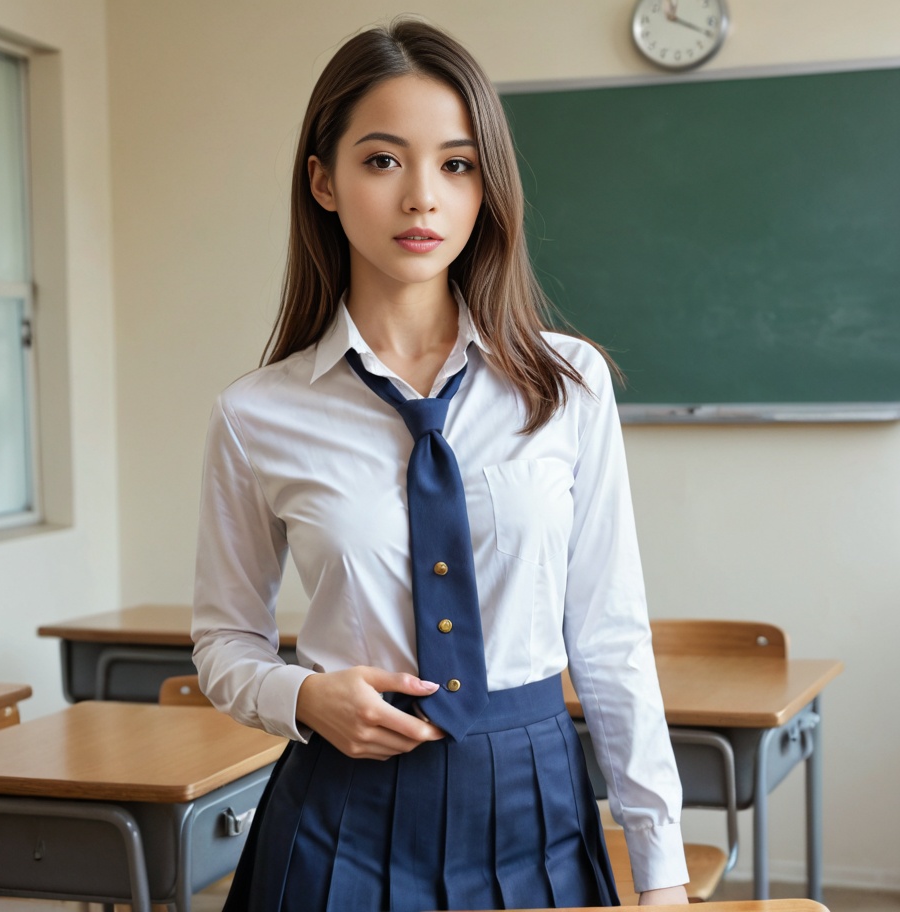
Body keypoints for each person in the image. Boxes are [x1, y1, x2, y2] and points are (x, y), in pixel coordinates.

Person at [192, 16, 690, 912]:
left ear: (487, 187)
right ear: (324, 181)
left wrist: (661, 868)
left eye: (457, 165)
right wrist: (303, 697)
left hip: (533, 804)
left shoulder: (567, 384)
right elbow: (224, 641)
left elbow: (610, 635)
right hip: (339, 812)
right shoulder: (256, 413)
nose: (422, 197)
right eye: (383, 160)